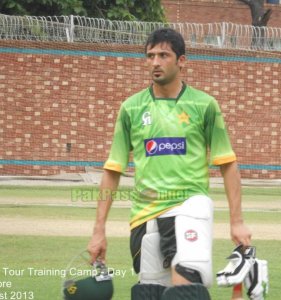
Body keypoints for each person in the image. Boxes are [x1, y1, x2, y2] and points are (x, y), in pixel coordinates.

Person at [88, 28, 251, 299]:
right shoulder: (131, 108)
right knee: (148, 293)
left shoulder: (204, 105)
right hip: (144, 217)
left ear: (181, 61)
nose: (155, 62)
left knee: (185, 290)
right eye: (150, 55)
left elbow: (227, 164)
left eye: (163, 55)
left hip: (188, 209)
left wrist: (237, 222)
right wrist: (98, 231)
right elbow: (112, 170)